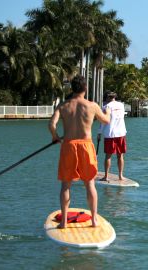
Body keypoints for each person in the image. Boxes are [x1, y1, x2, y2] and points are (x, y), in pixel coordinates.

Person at [48, 75, 110, 229]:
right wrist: (107, 111)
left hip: (68, 146)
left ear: (72, 89)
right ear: (85, 89)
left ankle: (63, 223)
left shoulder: (63, 106)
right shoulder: (92, 106)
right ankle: (94, 220)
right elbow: (106, 121)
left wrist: (55, 137)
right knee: (90, 184)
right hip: (86, 146)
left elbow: (51, 124)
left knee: (65, 186)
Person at [97, 91, 127, 181]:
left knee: (108, 156)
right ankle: (120, 176)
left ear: (107, 98)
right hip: (121, 133)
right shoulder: (121, 105)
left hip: (110, 134)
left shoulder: (106, 107)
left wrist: (99, 133)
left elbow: (103, 122)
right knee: (120, 155)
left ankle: (106, 176)